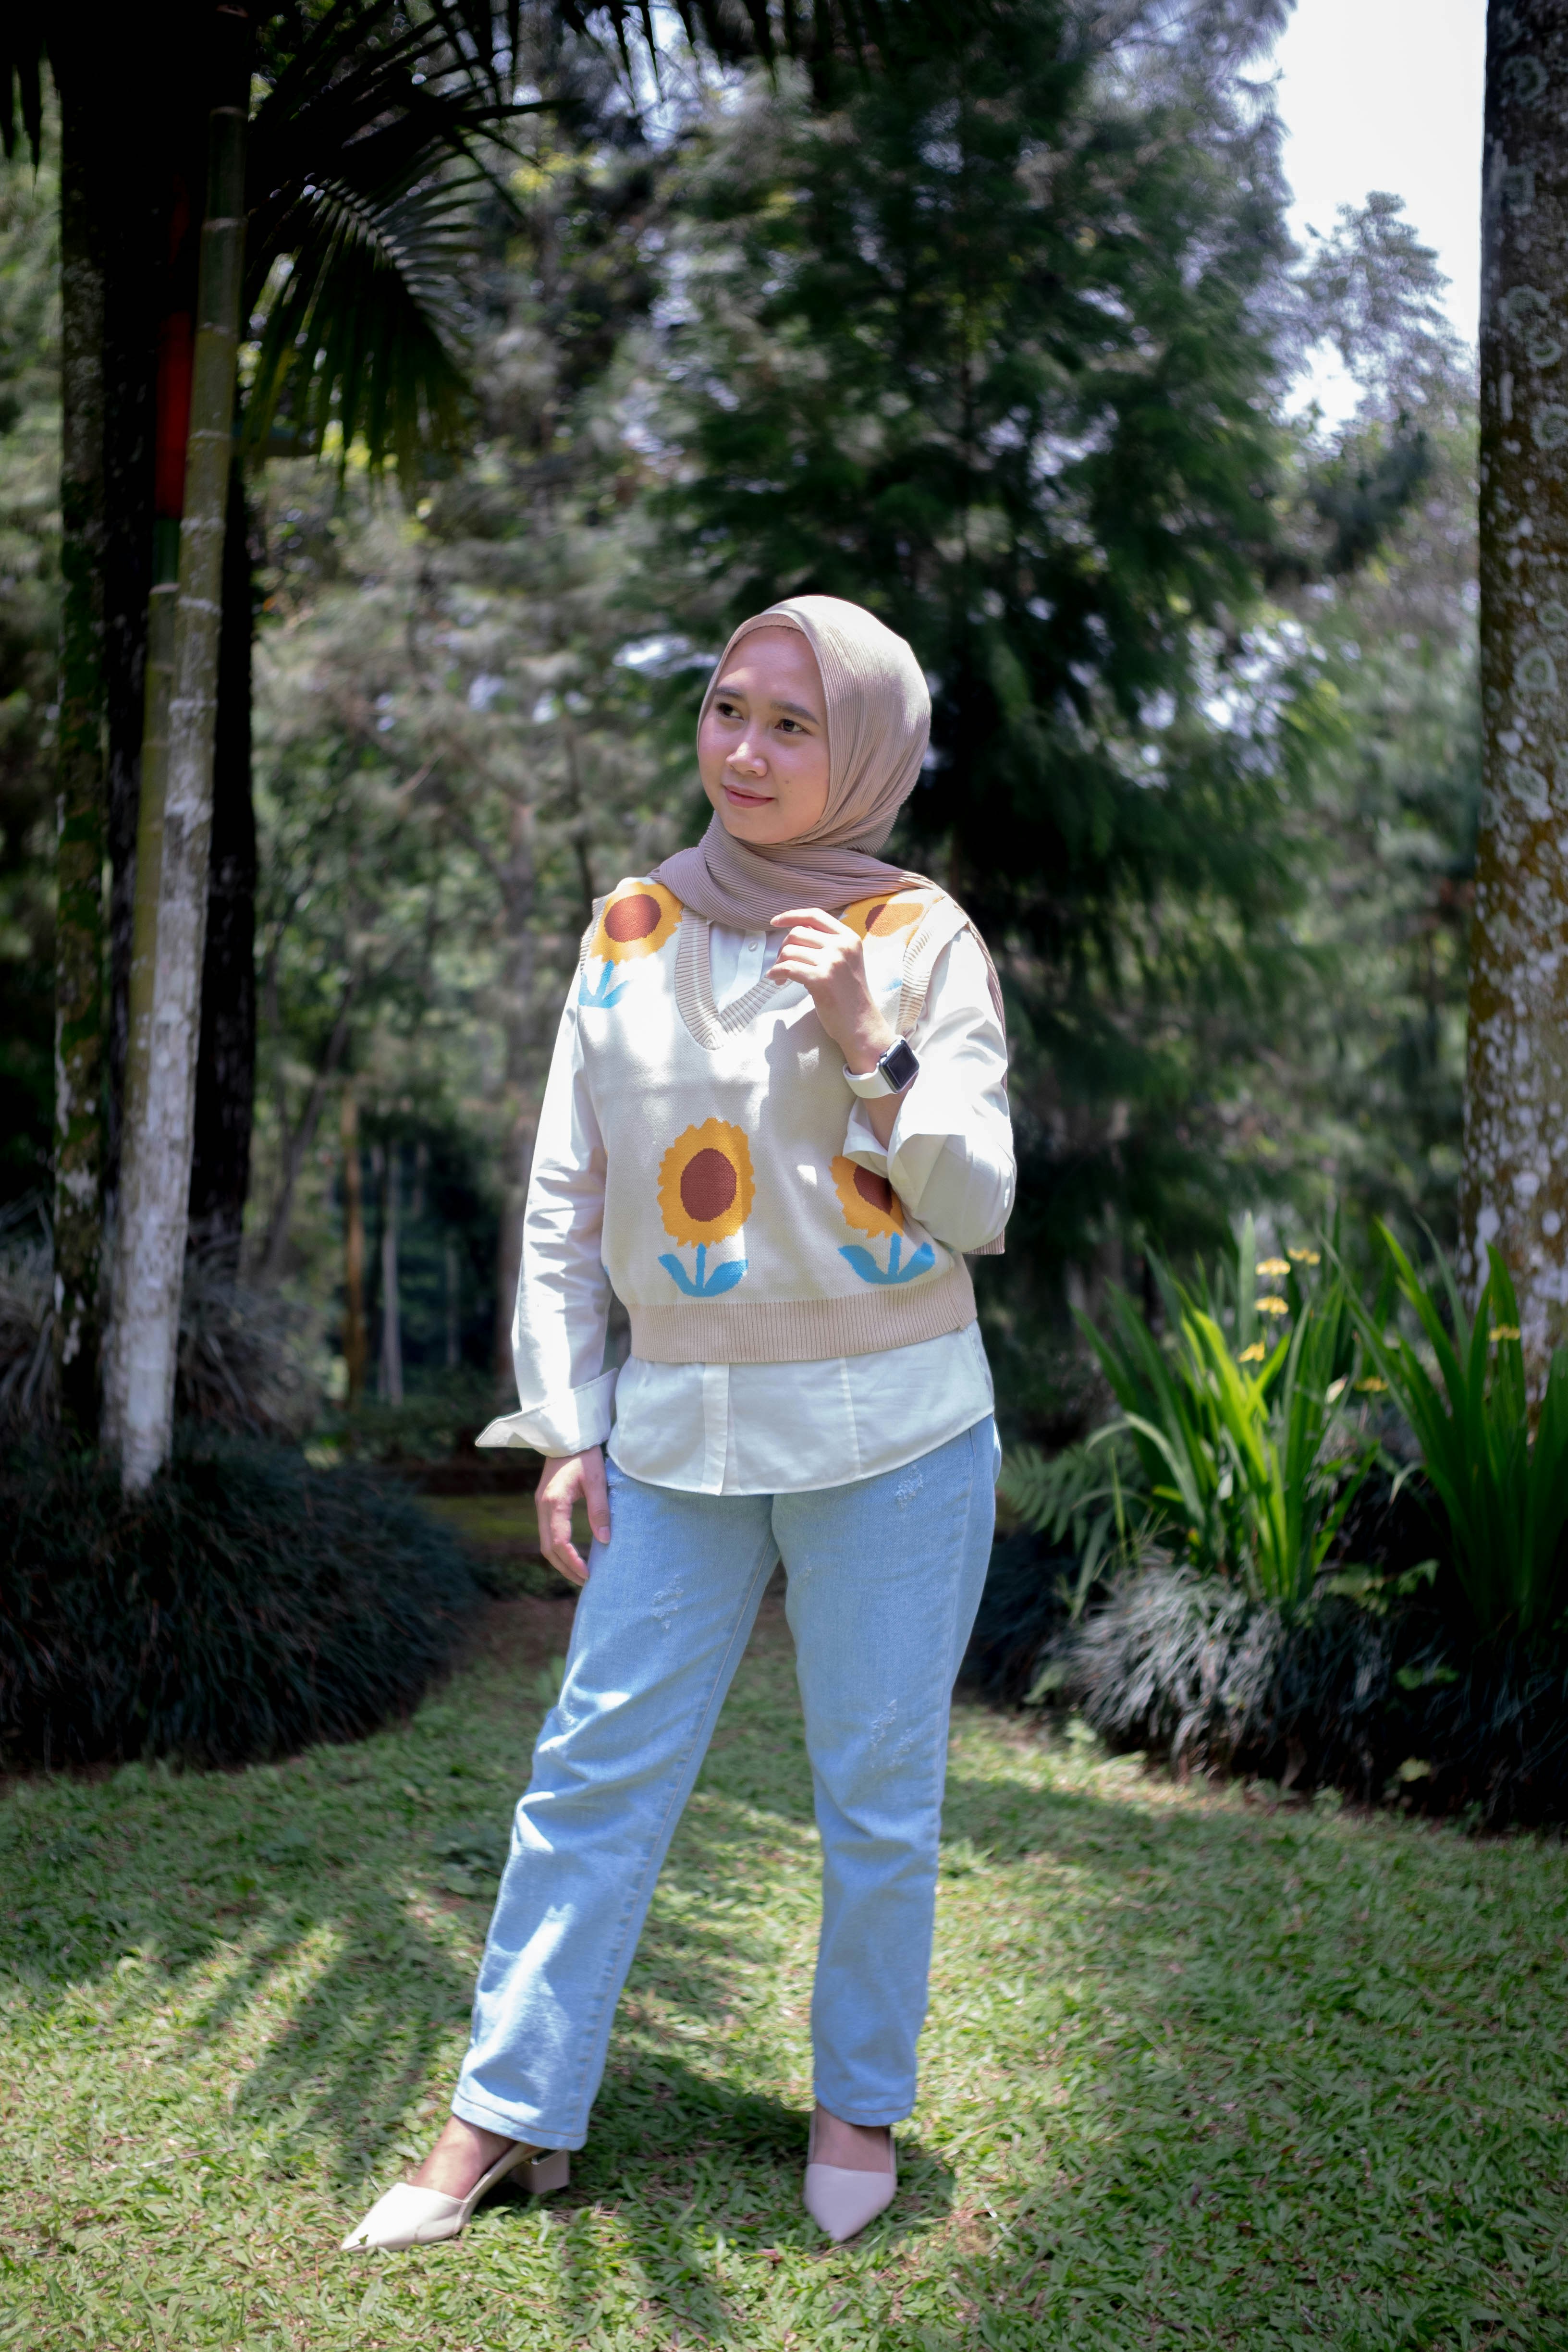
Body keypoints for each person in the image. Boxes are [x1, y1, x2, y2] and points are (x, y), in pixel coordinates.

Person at [343, 594, 1014, 2254]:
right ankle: (509, 2117)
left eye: (796, 724)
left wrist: (875, 1044)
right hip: (678, 1434)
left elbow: (981, 1200)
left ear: (866, 749)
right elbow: (570, 1187)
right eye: (730, 709)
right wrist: (572, 1420)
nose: (749, 749)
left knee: (875, 1789)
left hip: (899, 1433)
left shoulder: (922, 935)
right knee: (591, 1776)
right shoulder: (631, 925)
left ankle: (856, 2103)